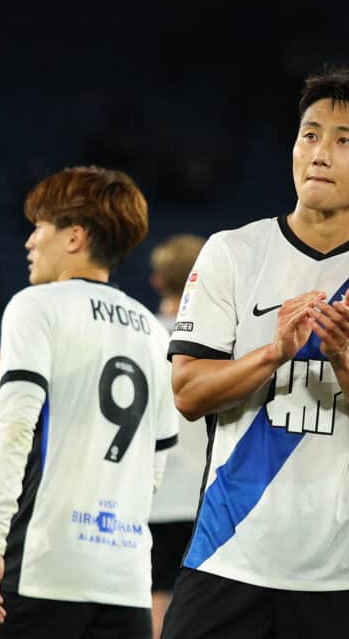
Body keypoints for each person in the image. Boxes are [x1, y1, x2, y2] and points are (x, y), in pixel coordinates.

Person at [161, 70, 349, 639]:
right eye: (309, 135)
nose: (320, 153)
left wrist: (344, 355)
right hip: (227, 557)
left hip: (343, 573)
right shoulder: (233, 252)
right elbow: (186, 393)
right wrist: (273, 353)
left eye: (343, 140)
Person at [0, 166, 180, 638]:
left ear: (75, 237)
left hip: (41, 568)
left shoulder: (35, 305)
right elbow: (156, 462)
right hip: (125, 580)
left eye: (40, 227)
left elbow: (14, 427)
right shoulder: (151, 330)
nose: (29, 242)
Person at [146, 234, 208, 639]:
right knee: (205, 606)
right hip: (205, 496)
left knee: (152, 597)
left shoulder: (141, 335)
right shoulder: (220, 342)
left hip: (149, 496)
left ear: (157, 281)